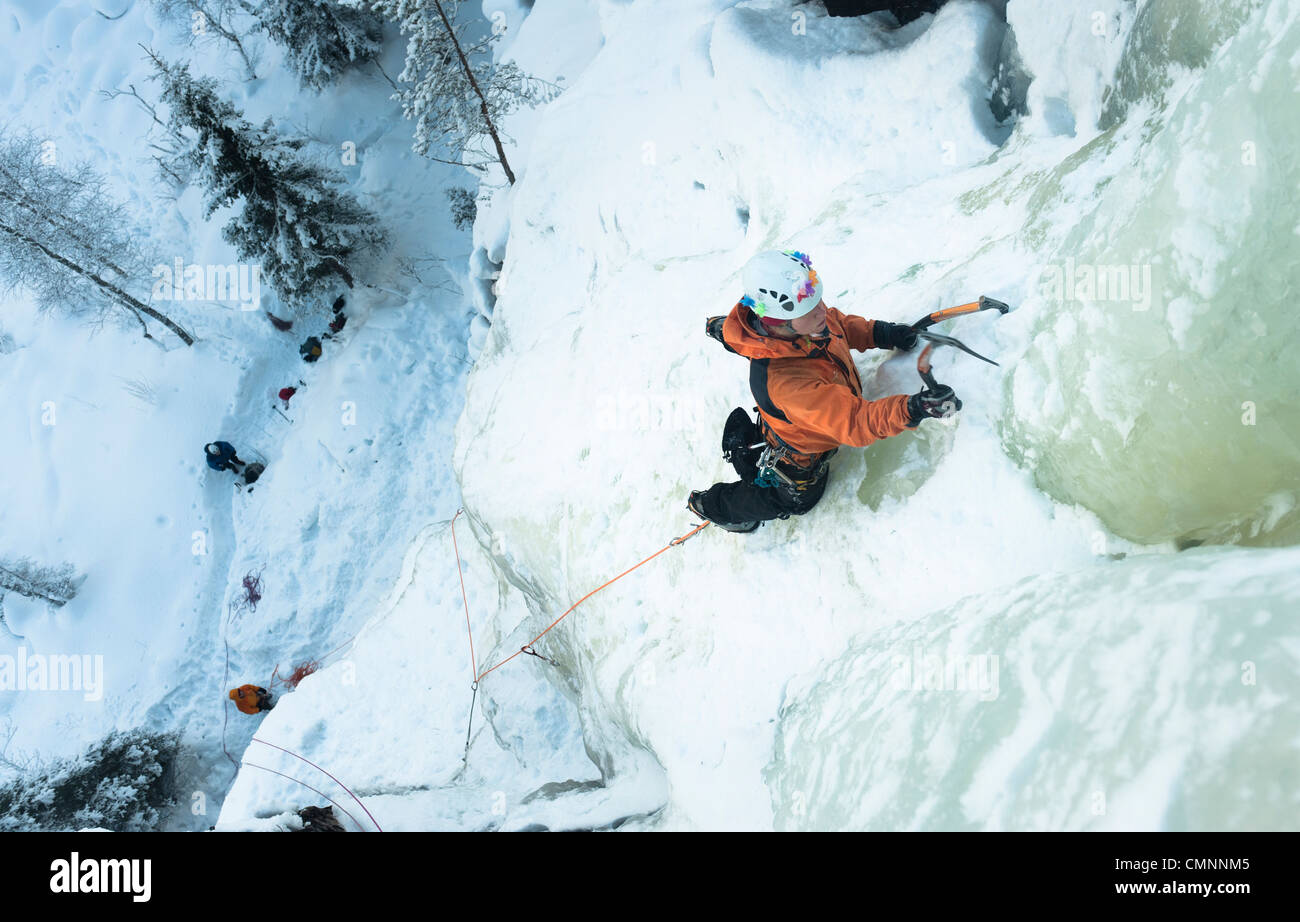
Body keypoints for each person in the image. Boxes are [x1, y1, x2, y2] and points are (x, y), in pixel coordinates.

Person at [688, 249, 961, 533]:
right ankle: (711, 505)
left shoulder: (807, 321)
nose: (822, 311)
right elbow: (855, 422)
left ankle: (723, 330)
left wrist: (882, 333)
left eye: (818, 301)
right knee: (797, 501)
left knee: (795, 407)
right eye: (811, 309)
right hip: (800, 455)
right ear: (777, 321)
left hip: (797, 416)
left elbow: (839, 325)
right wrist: (914, 408)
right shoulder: (789, 384)